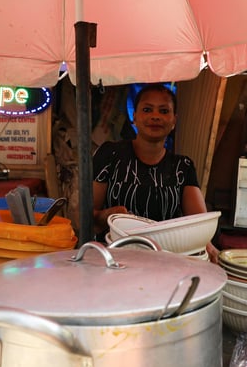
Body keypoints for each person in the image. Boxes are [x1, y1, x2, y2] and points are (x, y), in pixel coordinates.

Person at [92, 84, 217, 259]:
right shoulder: (110, 154)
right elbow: (87, 215)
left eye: (164, 111)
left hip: (166, 262)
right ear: (134, 116)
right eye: (147, 109)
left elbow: (199, 227)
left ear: (174, 120)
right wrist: (106, 215)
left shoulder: (183, 166)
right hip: (112, 259)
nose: (155, 116)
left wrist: (209, 248)